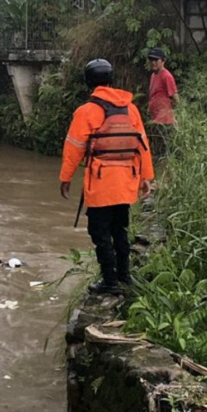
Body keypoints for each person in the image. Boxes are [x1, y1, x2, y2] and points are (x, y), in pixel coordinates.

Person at [60, 59, 154, 294]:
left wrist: (66, 177)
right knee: (119, 230)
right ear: (111, 79)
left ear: (89, 82)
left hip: (101, 184)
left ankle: (110, 281)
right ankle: (125, 276)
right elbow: (143, 146)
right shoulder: (130, 109)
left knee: (100, 234)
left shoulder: (86, 112)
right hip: (126, 183)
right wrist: (146, 177)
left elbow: (74, 148)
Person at [147, 47, 179, 184]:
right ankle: (160, 179)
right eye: (151, 60)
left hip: (165, 121)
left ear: (163, 61)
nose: (153, 63)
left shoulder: (167, 76)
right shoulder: (153, 76)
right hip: (156, 120)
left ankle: (162, 180)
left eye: (156, 60)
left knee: (164, 153)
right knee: (158, 152)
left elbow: (175, 98)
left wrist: (172, 114)